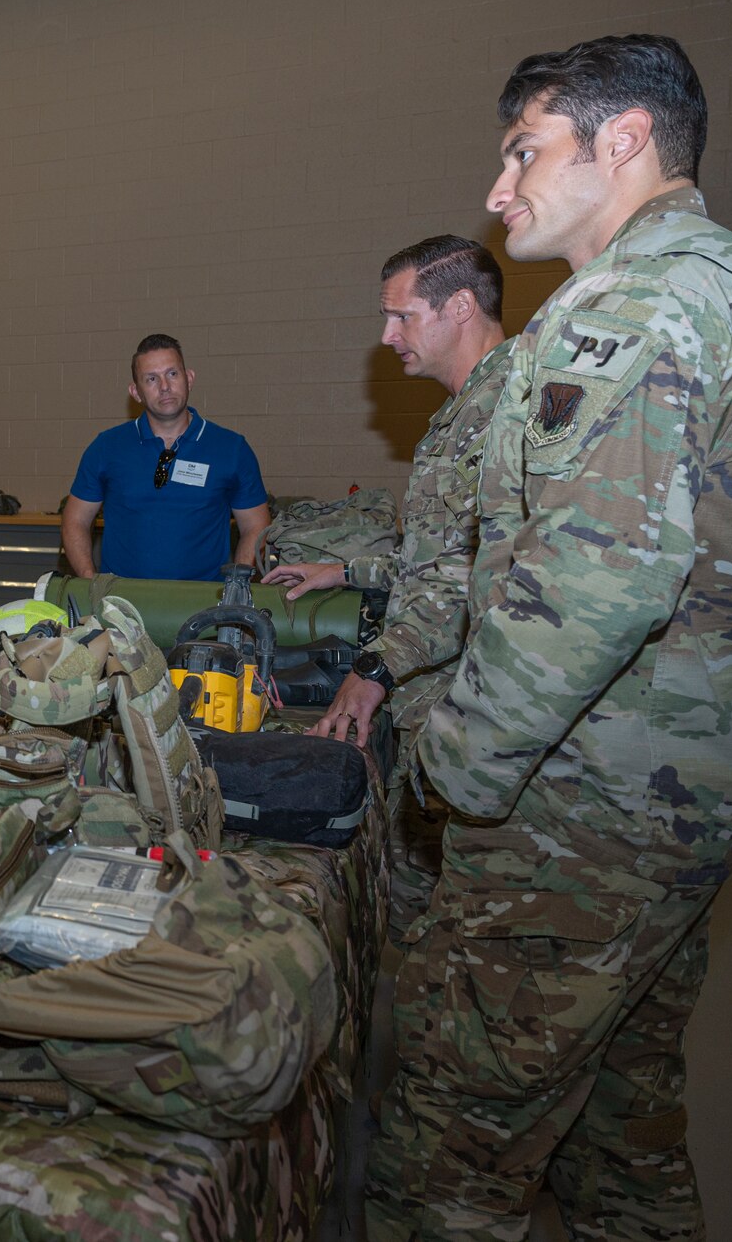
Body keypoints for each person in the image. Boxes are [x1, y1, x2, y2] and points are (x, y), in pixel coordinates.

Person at [366, 35, 732, 1241]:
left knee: (445, 1146)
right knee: (616, 1129)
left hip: (581, 803)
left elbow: (593, 577)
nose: (497, 189)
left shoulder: (638, 300)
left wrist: (449, 772)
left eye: (522, 151)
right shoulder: (708, 281)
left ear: (622, 138)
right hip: (668, 794)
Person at [263, 236, 513, 941]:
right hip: (436, 710)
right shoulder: (462, 412)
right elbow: (440, 554)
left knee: (461, 937)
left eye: (400, 316)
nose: (387, 335)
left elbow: (477, 584)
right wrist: (343, 571)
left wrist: (373, 668)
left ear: (459, 306)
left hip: (474, 719)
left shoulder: (511, 412)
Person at [62, 334, 271, 580]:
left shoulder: (232, 449)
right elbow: (74, 520)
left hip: (204, 607)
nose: (164, 386)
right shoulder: (106, 448)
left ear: (189, 378)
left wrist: (236, 586)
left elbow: (256, 527)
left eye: (172, 374)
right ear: (136, 392)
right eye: (151, 379)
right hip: (121, 608)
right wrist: (89, 580)